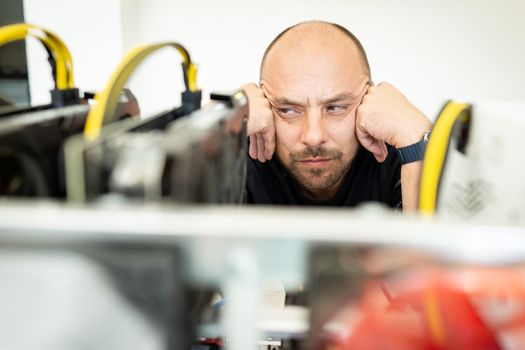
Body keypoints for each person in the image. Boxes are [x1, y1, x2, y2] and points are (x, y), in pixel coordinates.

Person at [243, 21, 432, 211]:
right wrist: (218, 122)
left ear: (369, 98)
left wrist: (417, 142)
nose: (313, 137)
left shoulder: (403, 153)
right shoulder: (241, 152)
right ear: (264, 101)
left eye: (335, 107)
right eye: (288, 110)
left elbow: (435, 238)